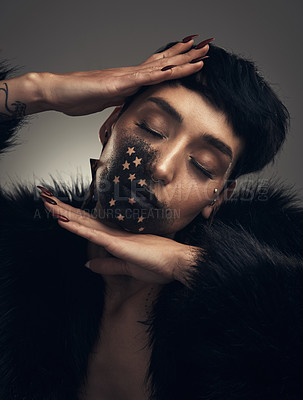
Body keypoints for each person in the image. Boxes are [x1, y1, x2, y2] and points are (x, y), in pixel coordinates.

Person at [0, 36, 302, 400]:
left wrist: (195, 267)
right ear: (110, 126)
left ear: (217, 198)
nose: (160, 166)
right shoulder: (14, 252)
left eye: (202, 165)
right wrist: (41, 90)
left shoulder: (260, 305)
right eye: (153, 129)